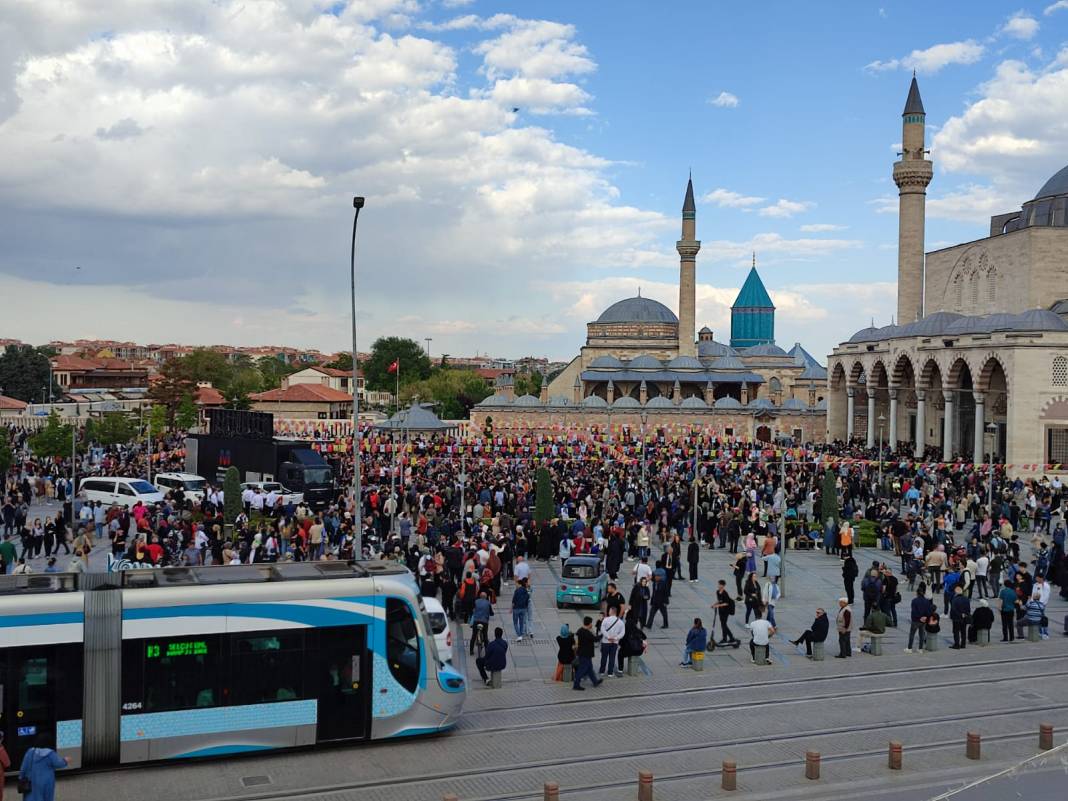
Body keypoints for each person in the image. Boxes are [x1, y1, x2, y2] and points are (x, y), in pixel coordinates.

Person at [18, 733, 68, 801]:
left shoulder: (30, 751)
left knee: (31, 796)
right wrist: (65, 760)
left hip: (31, 780)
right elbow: (59, 763)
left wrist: (21, 777)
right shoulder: (50, 754)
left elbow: (24, 766)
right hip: (46, 782)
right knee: (46, 797)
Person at [572, 616, 602, 690]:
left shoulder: (580, 630)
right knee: (582, 669)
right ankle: (576, 685)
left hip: (583, 653)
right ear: (589, 624)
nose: (592, 624)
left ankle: (595, 681)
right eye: (591, 623)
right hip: (585, 654)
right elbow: (595, 639)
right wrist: (602, 635)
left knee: (589, 669)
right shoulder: (586, 633)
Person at [598, 606, 625, 678]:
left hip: (605, 642)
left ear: (612, 611)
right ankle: (610, 672)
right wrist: (616, 638)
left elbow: (602, 629)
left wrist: (608, 637)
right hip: (614, 643)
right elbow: (622, 633)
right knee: (612, 658)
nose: (608, 612)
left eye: (609, 610)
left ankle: (602, 671)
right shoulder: (620, 622)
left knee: (604, 657)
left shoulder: (606, 620)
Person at [905, 585, 934, 653]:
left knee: (912, 634)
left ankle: (909, 648)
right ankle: (920, 648)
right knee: (921, 635)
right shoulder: (927, 601)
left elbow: (914, 611)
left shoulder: (914, 601)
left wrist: (919, 617)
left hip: (916, 620)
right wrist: (925, 617)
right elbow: (928, 611)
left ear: (917, 593)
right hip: (923, 620)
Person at [712, 579, 740, 645]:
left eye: (719, 584)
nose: (718, 585)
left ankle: (728, 638)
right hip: (721, 610)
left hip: (726, 611)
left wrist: (718, 605)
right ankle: (728, 638)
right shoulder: (717, 592)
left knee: (724, 625)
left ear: (722, 586)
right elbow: (719, 600)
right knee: (723, 625)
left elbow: (726, 603)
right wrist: (714, 604)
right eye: (718, 584)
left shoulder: (725, 593)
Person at [470, 591, 493, 655]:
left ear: (480, 596)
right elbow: (491, 612)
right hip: (484, 622)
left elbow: (473, 609)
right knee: (485, 636)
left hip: (476, 621)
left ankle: (471, 651)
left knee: (473, 636)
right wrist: (491, 613)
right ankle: (487, 651)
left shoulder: (476, 601)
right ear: (486, 597)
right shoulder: (488, 603)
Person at [949, 584, 972, 649]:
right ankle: (963, 644)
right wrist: (964, 614)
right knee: (963, 631)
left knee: (956, 631)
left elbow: (953, 609)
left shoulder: (954, 599)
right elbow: (968, 609)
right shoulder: (966, 599)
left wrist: (959, 614)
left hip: (956, 618)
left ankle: (957, 644)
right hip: (964, 618)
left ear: (956, 592)